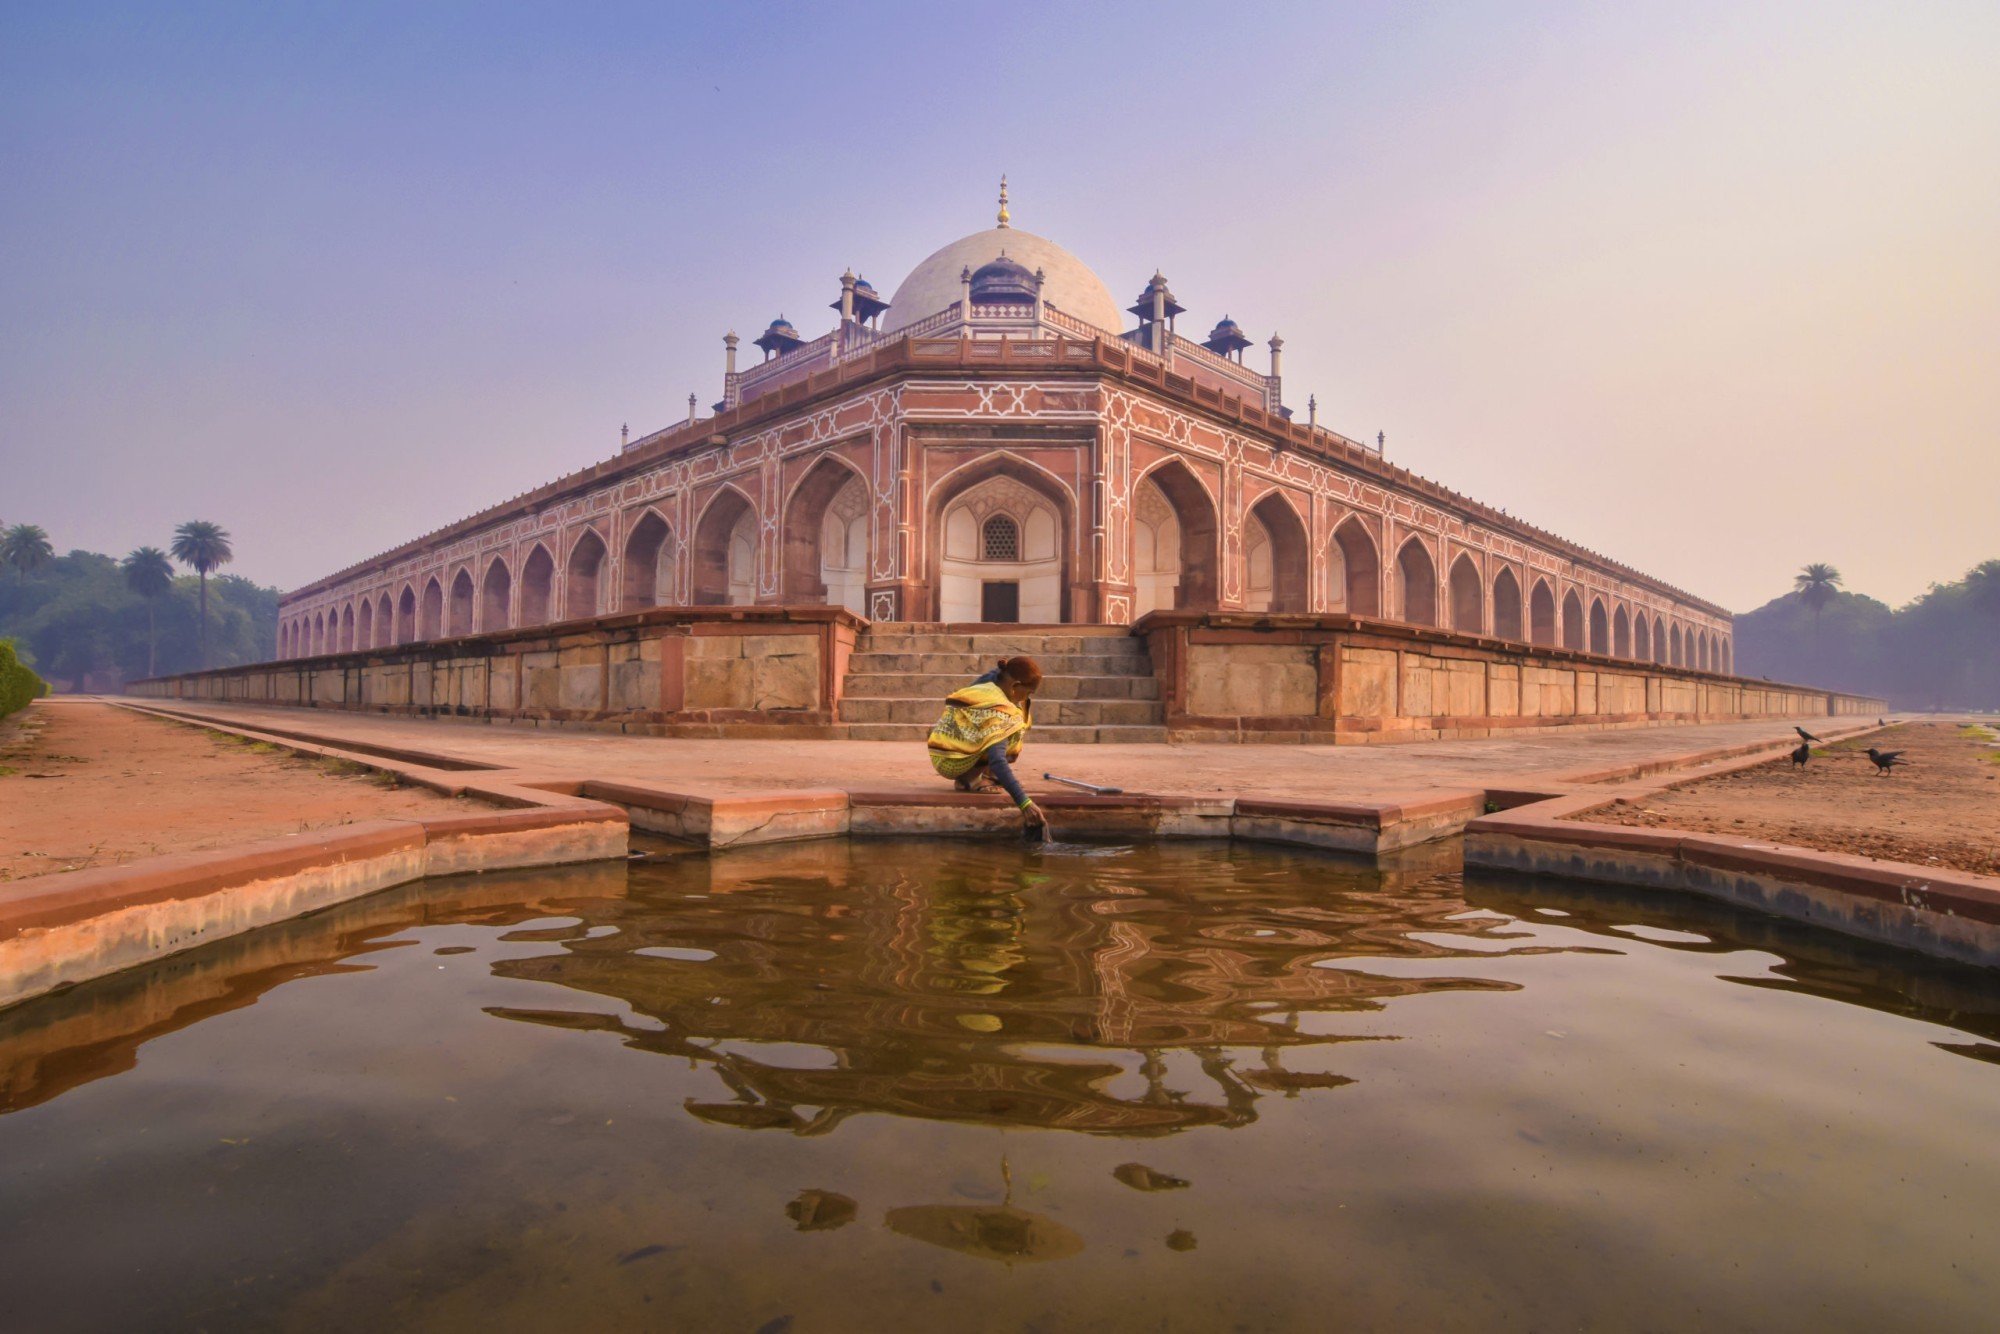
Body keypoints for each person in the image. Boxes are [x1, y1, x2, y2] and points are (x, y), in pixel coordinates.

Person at [927, 656, 1046, 831]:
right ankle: (972, 780)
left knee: (1013, 723)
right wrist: (1024, 802)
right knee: (1012, 729)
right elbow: (998, 760)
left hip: (945, 750)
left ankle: (977, 777)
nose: (1026, 698)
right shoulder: (997, 708)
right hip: (951, 761)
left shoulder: (992, 683)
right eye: (1027, 693)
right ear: (1014, 686)